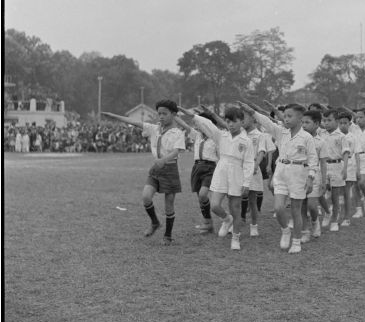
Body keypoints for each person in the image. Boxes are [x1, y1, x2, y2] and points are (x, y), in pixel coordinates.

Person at [101, 100, 186, 245]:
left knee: (169, 204)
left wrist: (164, 160)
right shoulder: (154, 129)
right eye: (159, 114)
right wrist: (114, 116)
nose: (161, 117)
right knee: (146, 197)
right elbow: (134, 122)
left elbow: (177, 151)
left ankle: (168, 235)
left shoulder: (178, 133)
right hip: (156, 169)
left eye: (164, 114)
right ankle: (155, 222)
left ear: (173, 114)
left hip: (170, 169)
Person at [240, 101, 317, 254]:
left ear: (300, 118)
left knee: (296, 209)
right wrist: (252, 111)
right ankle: (285, 230)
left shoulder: (307, 137)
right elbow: (266, 122)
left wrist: (310, 178)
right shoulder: (281, 132)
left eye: (290, 116)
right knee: (278, 207)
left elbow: (313, 160)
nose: (286, 119)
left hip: (299, 173)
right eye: (285, 116)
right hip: (281, 171)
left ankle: (296, 242)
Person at [180, 106, 254, 251]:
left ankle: (235, 238)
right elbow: (207, 125)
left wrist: (246, 182)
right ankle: (227, 220)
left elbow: (249, 162)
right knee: (214, 205)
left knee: (235, 208)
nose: (231, 124)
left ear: (241, 121)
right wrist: (191, 115)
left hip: (237, 173)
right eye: (228, 121)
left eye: (234, 121)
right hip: (221, 171)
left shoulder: (246, 141)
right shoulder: (221, 135)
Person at [176, 108, 220, 234]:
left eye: (200, 123)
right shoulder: (197, 135)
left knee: (203, 194)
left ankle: (227, 218)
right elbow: (183, 124)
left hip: (209, 168)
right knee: (200, 197)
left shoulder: (215, 138)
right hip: (197, 168)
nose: (197, 125)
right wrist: (173, 113)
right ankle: (208, 224)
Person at [300, 109, 328, 242]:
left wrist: (324, 181)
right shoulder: (298, 138)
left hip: (314, 174)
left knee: (312, 205)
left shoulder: (321, 142)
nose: (304, 125)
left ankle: (315, 221)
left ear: (316, 124)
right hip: (299, 174)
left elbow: (323, 163)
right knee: (302, 205)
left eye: (307, 122)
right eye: (302, 122)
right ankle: (305, 231)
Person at [240, 108, 269, 237]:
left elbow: (261, 152)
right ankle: (235, 222)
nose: (241, 121)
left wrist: (256, 165)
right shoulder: (239, 133)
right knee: (234, 199)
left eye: (244, 118)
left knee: (252, 200)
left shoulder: (260, 135)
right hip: (238, 169)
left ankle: (254, 225)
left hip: (253, 170)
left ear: (253, 118)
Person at [320, 109, 347, 231]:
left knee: (335, 196)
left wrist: (345, 168)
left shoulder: (341, 136)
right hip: (323, 165)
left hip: (336, 166)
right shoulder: (321, 134)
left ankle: (335, 221)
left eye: (329, 120)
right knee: (320, 193)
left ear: (336, 121)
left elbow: (345, 153)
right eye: (324, 120)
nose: (326, 123)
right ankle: (327, 212)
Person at [338, 110, 360, 223]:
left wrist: (358, 170)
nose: (342, 125)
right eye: (340, 123)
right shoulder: (336, 136)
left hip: (350, 165)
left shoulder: (353, 137)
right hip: (337, 165)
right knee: (337, 192)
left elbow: (356, 154)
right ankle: (336, 214)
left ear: (349, 124)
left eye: (345, 123)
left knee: (346, 192)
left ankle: (346, 217)